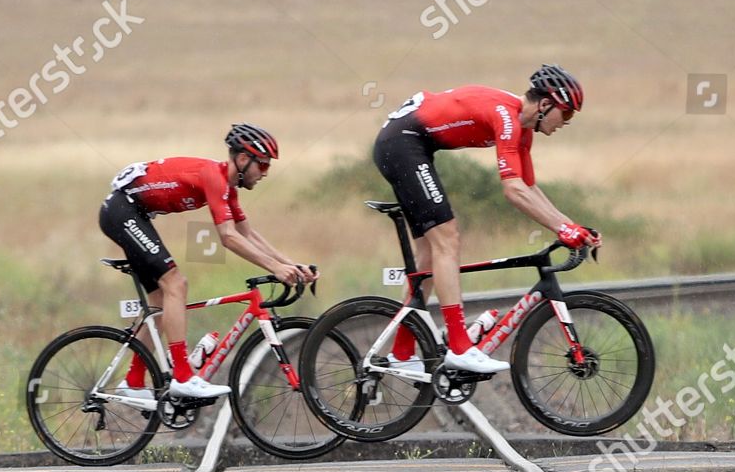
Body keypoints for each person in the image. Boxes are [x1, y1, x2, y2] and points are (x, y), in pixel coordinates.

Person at [372, 65, 601, 378]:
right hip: (403, 143)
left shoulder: (522, 129)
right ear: (546, 105)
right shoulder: (507, 116)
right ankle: (459, 347)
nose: (567, 123)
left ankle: (401, 353)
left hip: (410, 145)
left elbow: (529, 187)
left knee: (429, 257)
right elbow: (513, 191)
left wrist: (572, 226)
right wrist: (563, 229)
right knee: (448, 239)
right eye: (567, 114)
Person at [99, 124, 315, 403]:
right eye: (261, 165)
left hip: (130, 212)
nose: (265, 173)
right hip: (122, 211)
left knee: (161, 300)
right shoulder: (213, 176)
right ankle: (183, 377)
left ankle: (134, 380)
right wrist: (275, 269)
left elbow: (247, 234)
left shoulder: (227, 186)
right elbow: (227, 237)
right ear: (241, 159)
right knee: (176, 284)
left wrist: (291, 265)